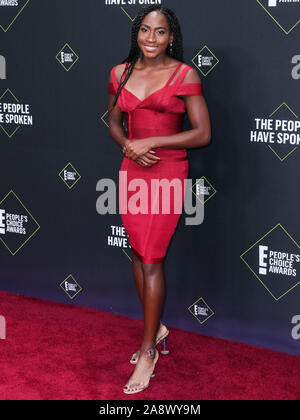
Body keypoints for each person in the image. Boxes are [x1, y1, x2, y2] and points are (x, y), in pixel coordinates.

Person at [108, 5, 211, 394]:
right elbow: (114, 122)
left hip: (168, 172)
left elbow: (202, 133)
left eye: (161, 32)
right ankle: (160, 329)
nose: (151, 39)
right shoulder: (121, 73)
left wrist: (153, 141)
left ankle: (148, 350)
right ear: (137, 33)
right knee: (137, 253)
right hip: (132, 170)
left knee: (151, 259)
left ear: (172, 37)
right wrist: (129, 146)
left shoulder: (185, 74)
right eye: (146, 31)